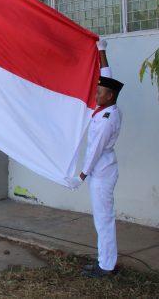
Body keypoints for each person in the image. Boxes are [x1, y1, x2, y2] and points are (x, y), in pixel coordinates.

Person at [65, 39, 123, 278]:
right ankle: (104, 260)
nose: (95, 95)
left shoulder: (107, 119)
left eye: (99, 92)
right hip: (101, 170)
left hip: (102, 172)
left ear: (110, 96)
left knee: (104, 219)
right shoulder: (107, 106)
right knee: (101, 218)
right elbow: (106, 75)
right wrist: (102, 51)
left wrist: (81, 175)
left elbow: (95, 151)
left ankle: (107, 266)